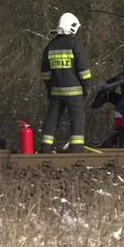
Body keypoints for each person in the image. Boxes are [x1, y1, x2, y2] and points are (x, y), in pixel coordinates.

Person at [39, 13, 91, 153]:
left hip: (56, 91)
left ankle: (45, 147)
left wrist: (50, 89)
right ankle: (77, 148)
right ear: (73, 27)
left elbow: (45, 72)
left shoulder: (51, 46)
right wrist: (87, 87)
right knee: (77, 118)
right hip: (74, 92)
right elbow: (83, 69)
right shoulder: (75, 44)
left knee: (52, 118)